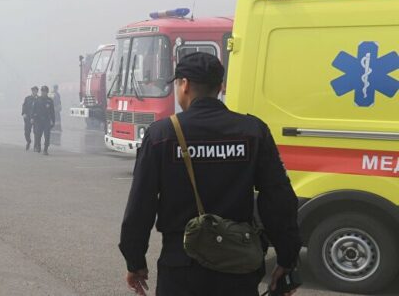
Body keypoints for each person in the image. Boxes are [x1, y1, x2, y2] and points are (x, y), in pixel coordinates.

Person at [119, 52, 301, 296]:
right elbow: (278, 200)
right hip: (238, 266)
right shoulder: (252, 131)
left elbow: (140, 206)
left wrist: (135, 262)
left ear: (184, 85)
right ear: (220, 86)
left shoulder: (162, 135)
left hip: (181, 267)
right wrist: (287, 258)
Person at [31, 85, 56, 155]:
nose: (43, 92)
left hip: (47, 121)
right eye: (42, 91)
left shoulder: (50, 101)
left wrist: (53, 121)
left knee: (47, 136)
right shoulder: (37, 100)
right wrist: (32, 118)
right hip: (38, 121)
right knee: (38, 135)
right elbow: (33, 110)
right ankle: (38, 146)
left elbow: (52, 112)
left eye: (45, 91)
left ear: (47, 92)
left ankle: (45, 149)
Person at [21, 86, 39, 150]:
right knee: (27, 132)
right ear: (32, 91)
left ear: (37, 91)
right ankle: (28, 141)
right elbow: (24, 106)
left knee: (36, 132)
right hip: (28, 117)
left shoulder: (39, 99)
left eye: (36, 91)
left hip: (36, 118)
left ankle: (35, 145)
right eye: (33, 90)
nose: (34, 92)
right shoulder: (27, 98)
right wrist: (24, 113)